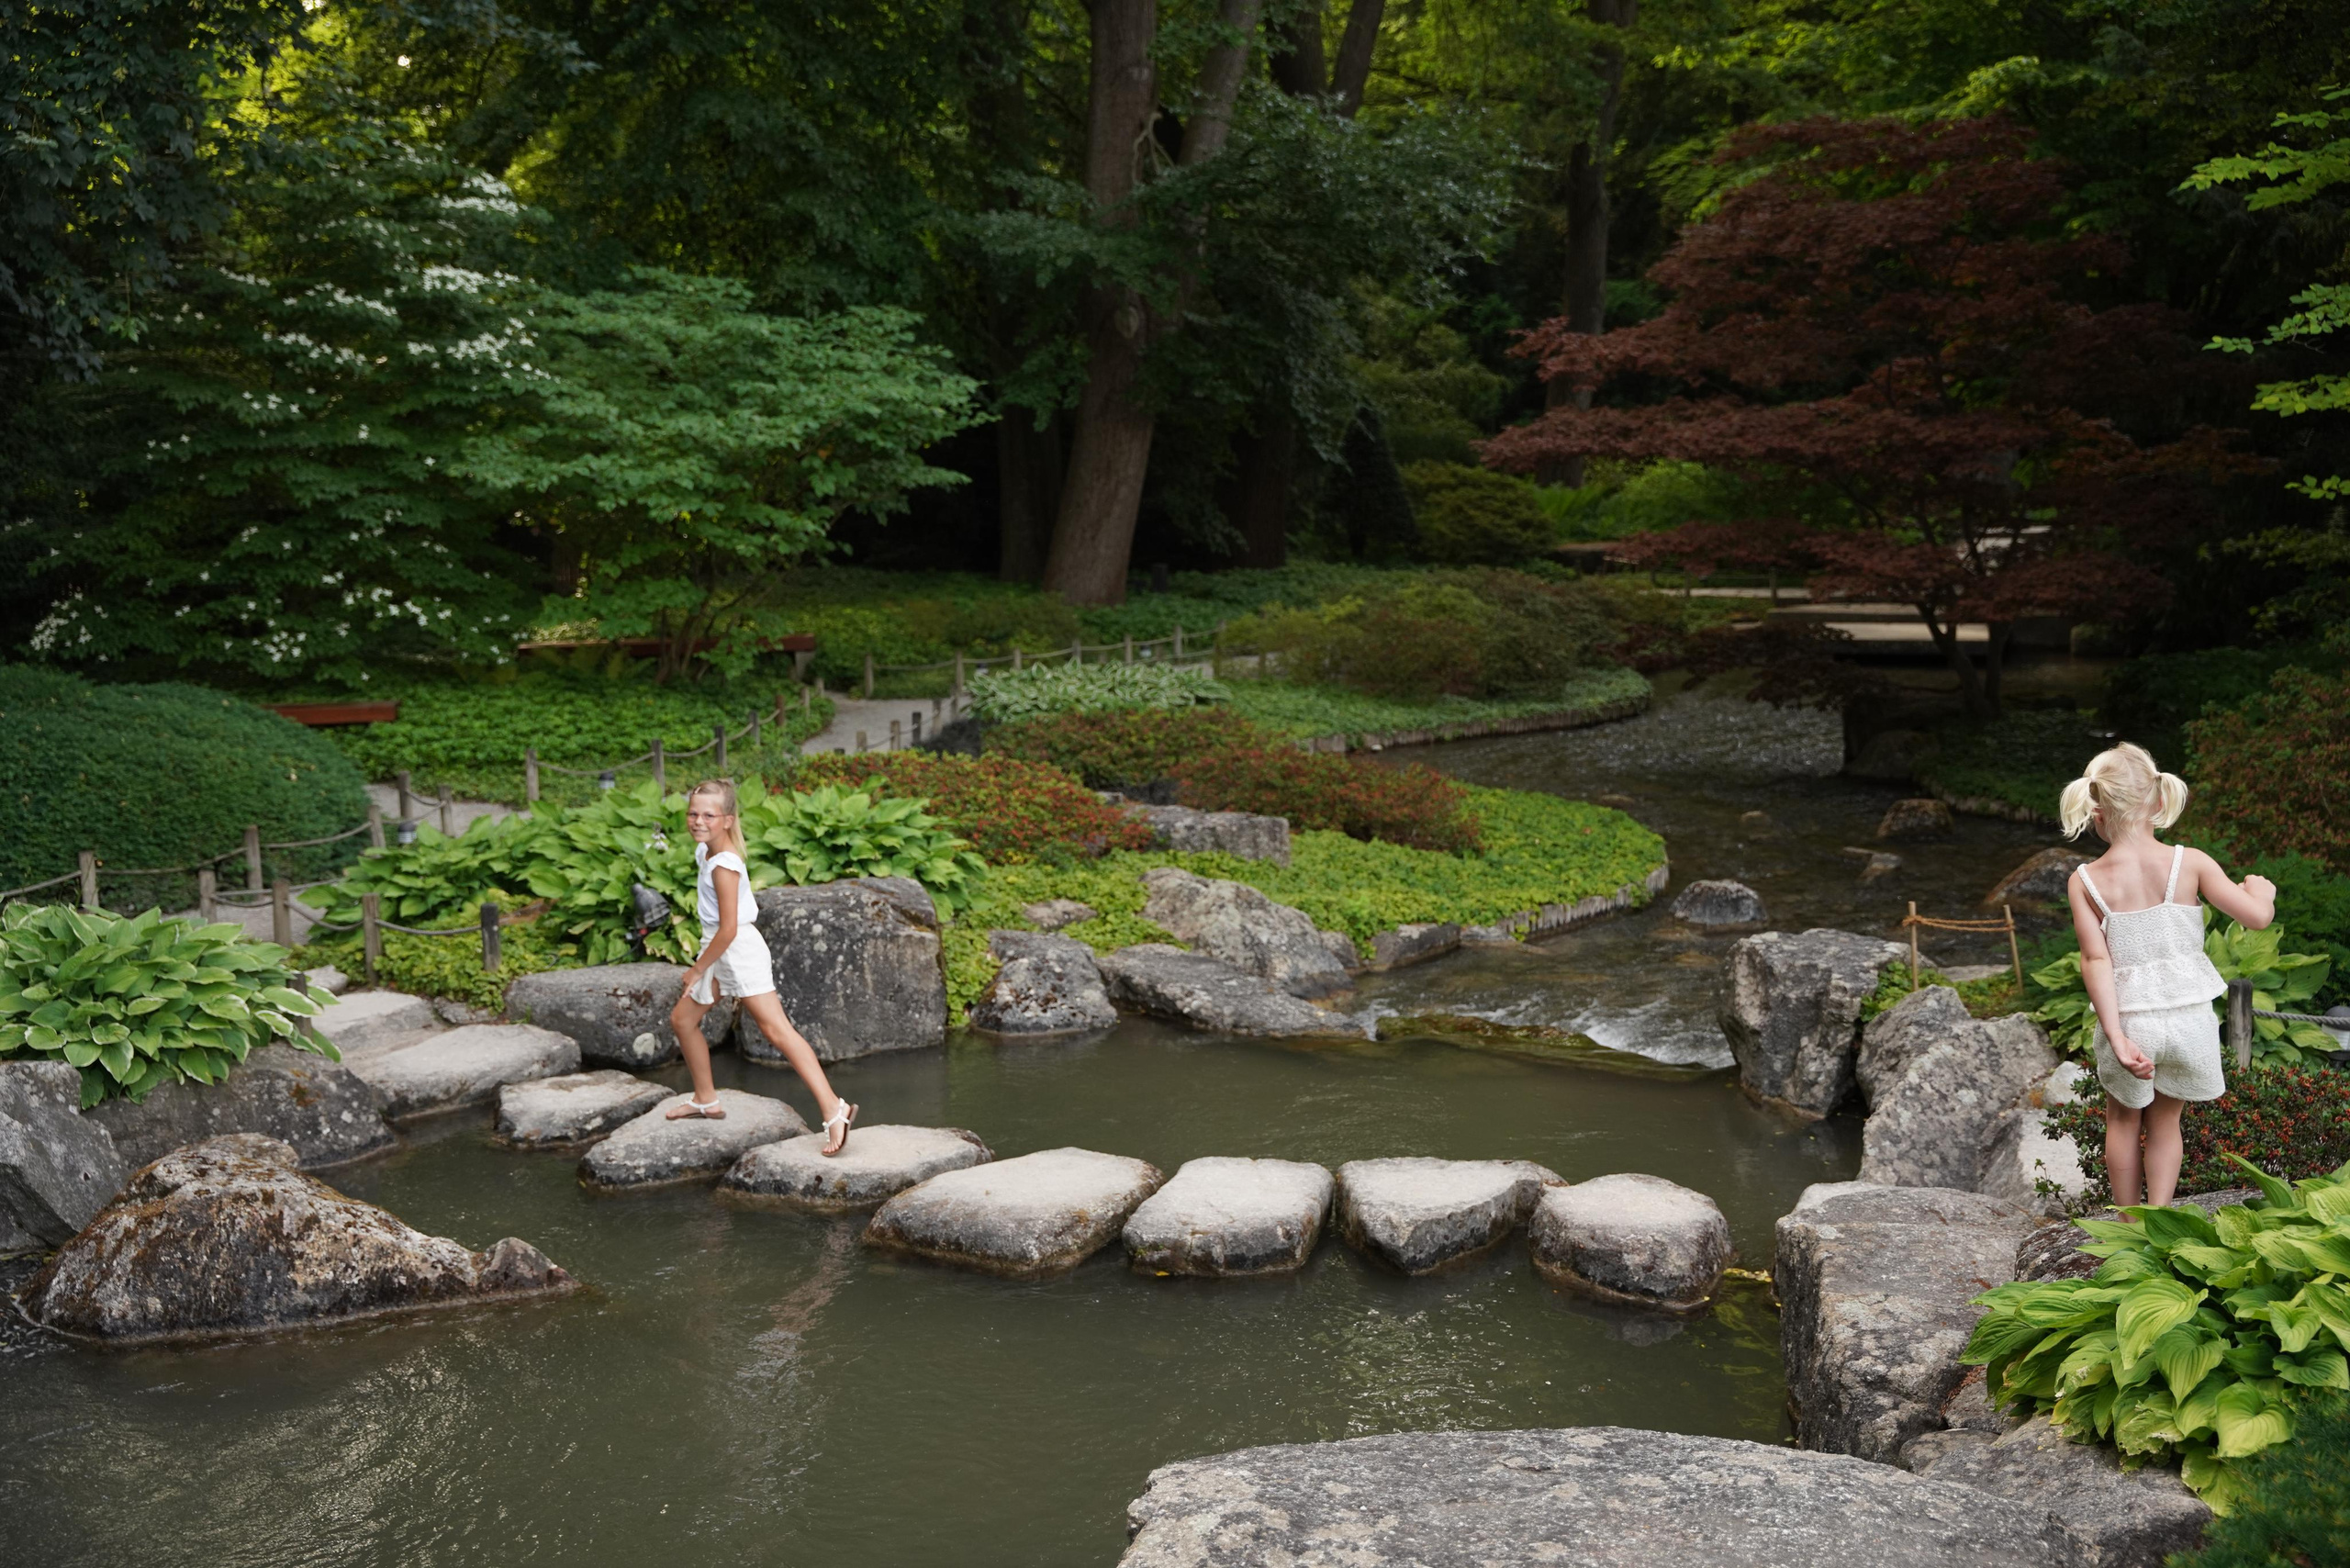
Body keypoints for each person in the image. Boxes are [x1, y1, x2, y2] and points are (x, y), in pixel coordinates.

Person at [2061, 744, 2273, 1208]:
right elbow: (2256, 918)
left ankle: (2128, 1225)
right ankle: (2160, 1217)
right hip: (2188, 1019)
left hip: (2132, 1021)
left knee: (2122, 1121)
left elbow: (2096, 961)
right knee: (2165, 1123)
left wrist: (2117, 1038)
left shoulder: (2086, 880)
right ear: (2158, 802)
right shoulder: (2190, 862)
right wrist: (2263, 890)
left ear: (2097, 812)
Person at [666, 778, 857, 1155]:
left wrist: (697, 969)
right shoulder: (705, 852)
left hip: (736, 950)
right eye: (693, 813)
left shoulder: (724, 864)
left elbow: (729, 929)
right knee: (683, 1020)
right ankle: (706, 1098)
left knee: (777, 1030)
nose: (698, 821)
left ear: (728, 820)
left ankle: (834, 1108)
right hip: (717, 947)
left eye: (708, 815)